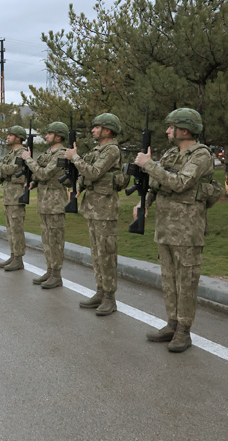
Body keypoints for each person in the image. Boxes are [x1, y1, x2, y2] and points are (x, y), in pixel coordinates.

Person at [133, 108, 216, 352]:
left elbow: (180, 183)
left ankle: (184, 331)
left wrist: (149, 165)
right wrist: (143, 203)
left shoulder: (201, 155)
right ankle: (172, 323)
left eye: (172, 127)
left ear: (185, 130)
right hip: (166, 226)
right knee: (169, 280)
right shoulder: (171, 153)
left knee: (186, 281)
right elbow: (157, 185)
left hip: (188, 228)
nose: (167, 131)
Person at [65, 113, 124, 316]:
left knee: (106, 254)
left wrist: (75, 157)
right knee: (97, 254)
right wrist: (78, 186)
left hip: (105, 209)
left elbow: (93, 172)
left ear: (107, 130)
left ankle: (110, 297)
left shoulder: (112, 150)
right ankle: (100, 291)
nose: (92, 130)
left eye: (96, 127)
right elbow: (84, 174)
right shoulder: (98, 150)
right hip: (92, 207)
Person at [21, 122, 69, 289]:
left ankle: (57, 274)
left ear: (58, 136)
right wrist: (33, 182)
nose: (46, 136)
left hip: (55, 203)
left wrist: (28, 160)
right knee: (47, 240)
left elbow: (43, 173)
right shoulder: (48, 153)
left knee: (55, 240)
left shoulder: (61, 154)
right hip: (44, 201)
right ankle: (50, 270)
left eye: (49, 133)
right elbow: (39, 173)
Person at [0, 125, 27, 271]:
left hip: (16, 194)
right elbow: (4, 172)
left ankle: (19, 259)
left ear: (18, 138)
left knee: (16, 227)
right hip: (9, 194)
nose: (8, 137)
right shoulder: (12, 153)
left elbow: (9, 169)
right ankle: (13, 255)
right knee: (10, 227)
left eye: (10, 135)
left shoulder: (21, 153)